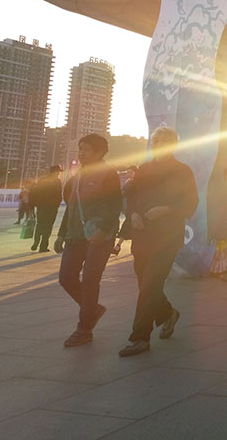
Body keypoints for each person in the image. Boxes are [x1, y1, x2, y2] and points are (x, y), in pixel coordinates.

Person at [118, 127, 198, 357]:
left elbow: (191, 202)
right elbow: (131, 198)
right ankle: (167, 314)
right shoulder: (144, 169)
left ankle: (139, 338)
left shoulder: (182, 170)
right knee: (146, 285)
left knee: (150, 285)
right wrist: (133, 213)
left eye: (164, 140)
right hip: (142, 235)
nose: (159, 143)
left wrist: (167, 209)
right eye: (156, 140)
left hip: (167, 238)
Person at [54, 134, 122, 348]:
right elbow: (71, 207)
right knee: (66, 277)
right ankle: (93, 309)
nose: (81, 153)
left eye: (86, 149)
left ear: (100, 152)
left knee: (91, 280)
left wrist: (103, 230)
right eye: (80, 148)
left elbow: (115, 206)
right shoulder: (77, 176)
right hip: (75, 235)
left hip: (98, 237)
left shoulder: (108, 174)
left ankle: (84, 328)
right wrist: (61, 234)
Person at [30, 165, 63, 252]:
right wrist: (56, 205)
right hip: (51, 208)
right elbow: (58, 195)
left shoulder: (42, 180)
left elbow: (34, 193)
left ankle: (36, 242)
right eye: (58, 172)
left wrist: (33, 205)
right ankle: (43, 246)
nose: (59, 173)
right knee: (48, 226)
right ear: (55, 172)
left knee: (40, 224)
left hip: (41, 207)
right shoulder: (57, 181)